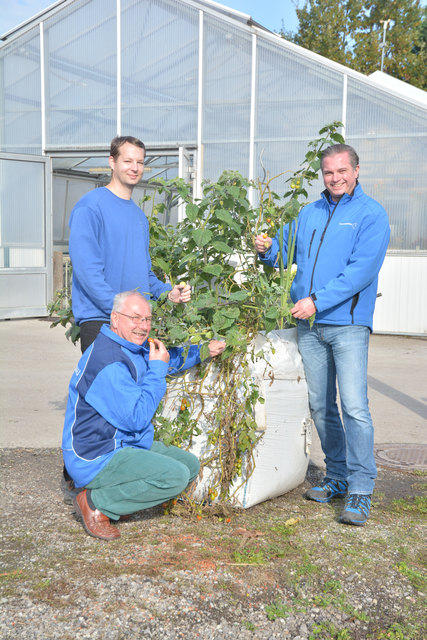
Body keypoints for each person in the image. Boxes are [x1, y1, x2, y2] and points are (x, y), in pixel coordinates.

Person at [255, 143, 390, 526]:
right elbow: (283, 251)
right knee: (320, 406)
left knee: (354, 406)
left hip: (347, 325)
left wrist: (316, 299)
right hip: (310, 326)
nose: (335, 178)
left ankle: (362, 489)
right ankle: (337, 476)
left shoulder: (370, 215)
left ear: (357, 170)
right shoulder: (309, 213)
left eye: (342, 171)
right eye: (329, 173)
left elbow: (360, 271)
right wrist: (265, 249)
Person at [62, 290, 226, 540]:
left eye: (147, 320)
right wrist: (157, 371)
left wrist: (204, 350)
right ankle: (95, 501)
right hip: (95, 455)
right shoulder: (108, 363)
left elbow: (165, 359)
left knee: (189, 465)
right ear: (115, 319)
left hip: (124, 444)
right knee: (175, 476)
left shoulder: (126, 346)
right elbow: (137, 417)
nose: (143, 326)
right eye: (135, 318)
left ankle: (119, 499)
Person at [68, 135, 191, 354]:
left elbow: (144, 273)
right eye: (128, 161)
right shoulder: (90, 207)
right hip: (102, 322)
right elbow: (88, 272)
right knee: (105, 387)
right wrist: (121, 310)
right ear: (112, 162)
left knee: (134, 387)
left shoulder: (138, 217)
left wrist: (168, 294)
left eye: (140, 162)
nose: (135, 168)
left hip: (136, 324)